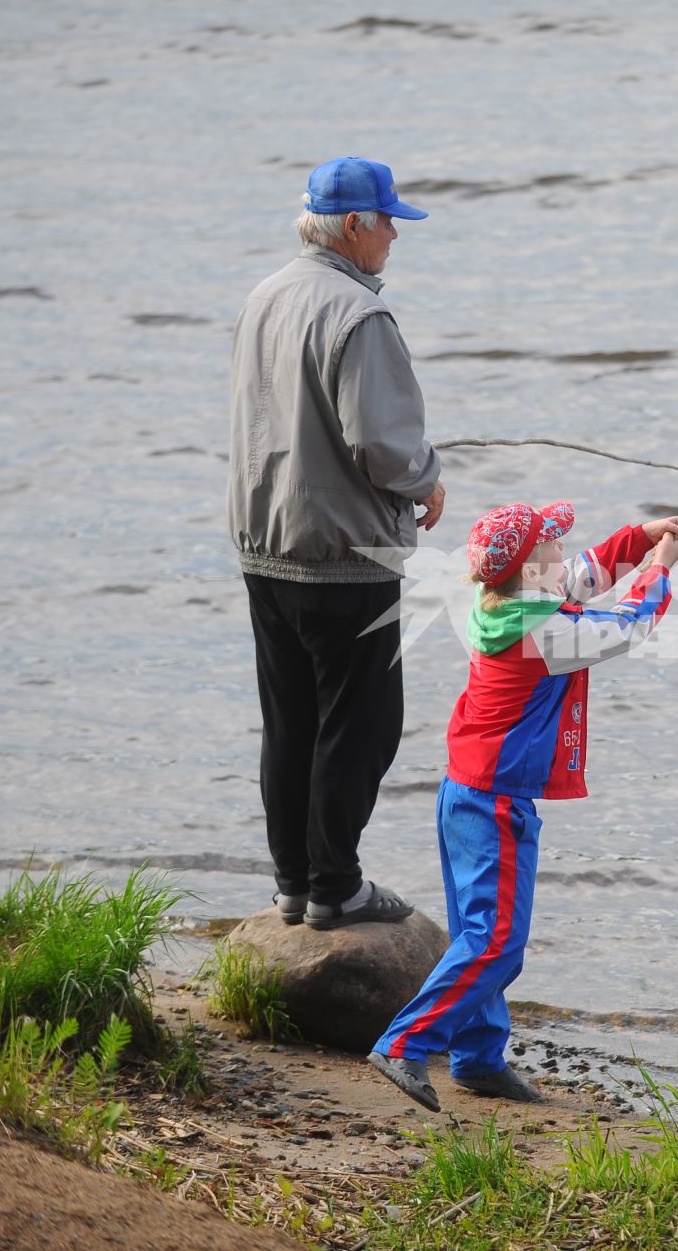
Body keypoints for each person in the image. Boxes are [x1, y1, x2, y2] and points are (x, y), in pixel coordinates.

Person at [367, 502, 678, 1107]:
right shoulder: (543, 633)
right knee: (496, 942)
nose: (562, 553)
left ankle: (479, 1060)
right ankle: (403, 1043)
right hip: (494, 801)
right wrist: (661, 568)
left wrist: (641, 538)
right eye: (550, 547)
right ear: (530, 571)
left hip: (465, 789)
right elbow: (628, 625)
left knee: (476, 931)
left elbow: (587, 573)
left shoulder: (503, 601)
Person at [228, 155, 446, 931]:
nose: (394, 234)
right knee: (361, 723)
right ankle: (336, 887)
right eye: (388, 220)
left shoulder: (264, 297)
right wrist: (429, 483)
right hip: (345, 555)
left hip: (265, 544)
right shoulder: (361, 314)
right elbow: (382, 448)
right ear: (352, 225)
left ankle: (294, 883)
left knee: (289, 720)